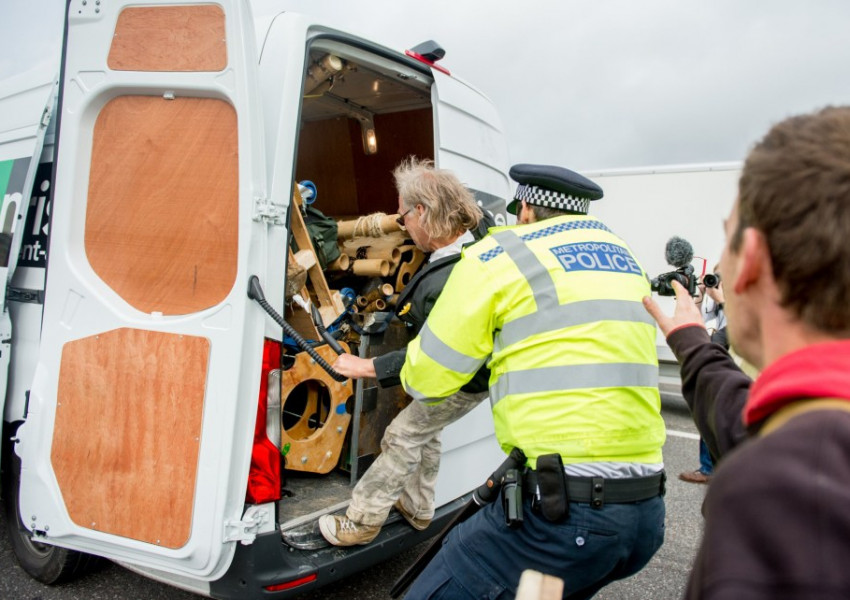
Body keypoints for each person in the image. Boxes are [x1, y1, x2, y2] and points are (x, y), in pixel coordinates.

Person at [400, 164, 667, 599]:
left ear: (524, 210)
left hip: (565, 516)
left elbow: (428, 378)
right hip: (644, 514)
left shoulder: (498, 257)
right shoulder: (623, 257)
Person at [642, 106, 850, 598]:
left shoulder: (778, 495)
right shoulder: (814, 435)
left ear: (751, 260)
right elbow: (747, 426)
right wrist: (691, 341)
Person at [318, 157, 490, 546]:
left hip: (466, 375)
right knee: (424, 432)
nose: (401, 223)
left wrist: (367, 366)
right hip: (464, 367)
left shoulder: (454, 276)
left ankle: (361, 522)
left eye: (403, 215)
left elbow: (436, 356)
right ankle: (417, 508)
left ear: (423, 211)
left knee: (402, 434)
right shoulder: (475, 235)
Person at [679, 265, 727, 485]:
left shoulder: (735, 300)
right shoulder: (711, 299)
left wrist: (723, 300)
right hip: (711, 358)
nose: (717, 282)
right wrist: (699, 294)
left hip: (729, 361)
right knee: (708, 415)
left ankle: (719, 469)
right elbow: (698, 318)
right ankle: (708, 468)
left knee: (722, 416)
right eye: (716, 277)